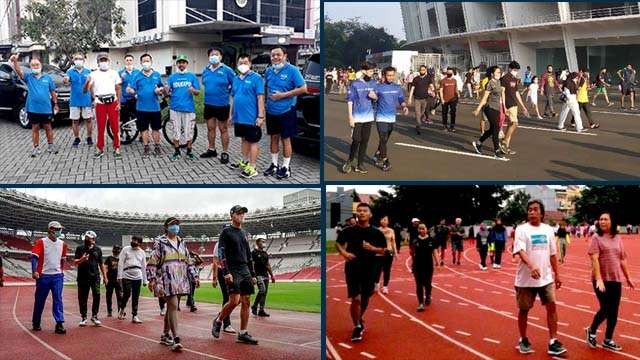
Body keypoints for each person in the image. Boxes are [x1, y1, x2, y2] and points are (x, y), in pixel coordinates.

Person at [513, 200, 566, 355]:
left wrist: (557, 274)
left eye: (535, 210)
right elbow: (520, 251)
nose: (532, 212)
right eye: (529, 210)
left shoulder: (548, 230)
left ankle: (553, 341)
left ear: (542, 213)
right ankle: (523, 339)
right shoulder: (521, 229)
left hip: (546, 278)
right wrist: (532, 266)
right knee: (524, 310)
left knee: (552, 306)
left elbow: (553, 254)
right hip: (525, 279)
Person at [335, 203, 388, 342]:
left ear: (370, 214)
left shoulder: (376, 232)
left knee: (366, 297)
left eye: (365, 211)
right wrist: (344, 253)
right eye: (359, 211)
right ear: (356, 214)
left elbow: (384, 250)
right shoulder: (348, 230)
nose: (361, 213)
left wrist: (372, 248)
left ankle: (359, 318)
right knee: (356, 298)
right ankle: (357, 326)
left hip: (370, 268)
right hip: (352, 268)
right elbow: (338, 243)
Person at [147, 217, 200, 352]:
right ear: (166, 227)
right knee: (174, 306)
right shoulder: (160, 242)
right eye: (172, 225)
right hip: (166, 279)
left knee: (171, 308)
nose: (175, 227)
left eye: (177, 224)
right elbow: (153, 260)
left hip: (180, 280)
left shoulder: (182, 242)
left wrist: (195, 276)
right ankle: (176, 339)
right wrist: (152, 278)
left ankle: (165, 335)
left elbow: (188, 260)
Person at [585, 212, 635, 351]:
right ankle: (592, 330)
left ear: (612, 221)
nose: (602, 221)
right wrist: (599, 279)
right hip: (600, 279)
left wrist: (628, 277)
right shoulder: (596, 237)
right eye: (601, 219)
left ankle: (608, 339)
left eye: (605, 219)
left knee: (614, 311)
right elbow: (594, 259)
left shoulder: (617, 237)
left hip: (615, 279)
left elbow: (622, 259)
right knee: (606, 308)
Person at [211, 205, 259, 345]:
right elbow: (221, 252)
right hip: (233, 269)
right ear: (232, 215)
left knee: (247, 301)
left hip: (245, 269)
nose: (241, 215)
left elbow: (248, 254)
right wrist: (226, 272)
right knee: (234, 300)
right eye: (238, 213)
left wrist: (253, 273)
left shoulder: (244, 233)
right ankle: (219, 320)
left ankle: (243, 333)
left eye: (243, 213)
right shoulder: (226, 232)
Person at [264, 46, 308, 179]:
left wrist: (283, 95)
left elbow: (304, 88)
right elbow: (266, 87)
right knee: (273, 138)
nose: (275, 57)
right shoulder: (268, 71)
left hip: (286, 110)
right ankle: (274, 164)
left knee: (286, 139)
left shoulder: (292, 70)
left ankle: (286, 167)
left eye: (278, 55)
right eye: (273, 55)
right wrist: (265, 103)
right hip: (271, 111)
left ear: (284, 56)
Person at [10, 54, 59, 157]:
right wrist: (15, 62)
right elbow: (19, 72)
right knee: (35, 128)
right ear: (30, 67)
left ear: (40, 65)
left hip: (46, 108)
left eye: (37, 65)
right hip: (33, 108)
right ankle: (36, 148)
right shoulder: (28, 77)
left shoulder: (48, 78)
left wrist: (55, 104)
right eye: (33, 65)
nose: (35, 67)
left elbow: (53, 92)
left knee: (48, 127)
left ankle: (51, 146)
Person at [228, 54, 266, 179]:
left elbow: (260, 97)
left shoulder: (256, 78)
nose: (242, 65)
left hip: (251, 117)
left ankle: (253, 167)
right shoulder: (236, 79)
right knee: (244, 139)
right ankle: (244, 161)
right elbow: (233, 97)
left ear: (250, 64)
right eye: (240, 63)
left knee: (253, 141)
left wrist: (260, 116)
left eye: (245, 62)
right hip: (239, 117)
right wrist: (231, 114)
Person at [31, 221, 68, 334]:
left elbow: (63, 260)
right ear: (51, 230)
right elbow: (34, 257)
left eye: (60, 230)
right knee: (40, 300)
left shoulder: (63, 244)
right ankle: (36, 322)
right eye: (58, 229)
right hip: (43, 276)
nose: (60, 232)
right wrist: (34, 271)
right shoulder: (41, 242)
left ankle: (59, 323)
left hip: (57, 276)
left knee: (58, 299)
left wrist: (61, 272)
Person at [370, 66, 409, 172]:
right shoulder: (378, 87)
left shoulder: (397, 87)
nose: (391, 77)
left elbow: (401, 98)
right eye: (388, 75)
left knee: (385, 140)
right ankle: (385, 161)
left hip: (392, 118)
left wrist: (404, 106)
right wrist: (372, 96)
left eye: (392, 75)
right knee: (383, 139)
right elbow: (371, 96)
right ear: (384, 75)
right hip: (381, 117)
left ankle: (377, 154)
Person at [200, 47, 235, 163]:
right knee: (210, 128)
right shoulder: (205, 70)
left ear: (221, 57)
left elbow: (234, 85)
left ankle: (225, 152)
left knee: (223, 129)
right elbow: (205, 84)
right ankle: (211, 149)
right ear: (208, 57)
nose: (214, 56)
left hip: (222, 105)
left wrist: (227, 93)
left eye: (216, 54)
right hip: (209, 104)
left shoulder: (227, 70)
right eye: (211, 54)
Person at [126, 53, 165, 157]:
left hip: (155, 108)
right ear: (141, 63)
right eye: (144, 61)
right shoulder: (137, 76)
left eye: (148, 61)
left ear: (151, 62)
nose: (146, 63)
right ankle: (146, 147)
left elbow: (162, 89)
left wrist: (160, 90)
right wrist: (130, 90)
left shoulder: (157, 75)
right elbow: (132, 89)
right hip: (141, 108)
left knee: (156, 129)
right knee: (144, 129)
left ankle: (157, 147)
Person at [84, 52, 122, 159]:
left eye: (105, 60)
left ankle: (117, 147)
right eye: (101, 60)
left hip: (112, 102)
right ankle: (99, 148)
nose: (104, 62)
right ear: (98, 62)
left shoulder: (114, 73)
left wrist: (119, 102)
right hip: (100, 103)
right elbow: (85, 90)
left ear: (109, 61)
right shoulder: (93, 74)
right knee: (100, 127)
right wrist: (87, 82)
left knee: (115, 126)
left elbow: (118, 88)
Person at [342, 61, 377, 174]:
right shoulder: (355, 84)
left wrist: (374, 97)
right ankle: (350, 160)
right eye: (370, 71)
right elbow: (350, 101)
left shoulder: (373, 83)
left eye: (373, 71)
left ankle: (360, 164)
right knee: (356, 140)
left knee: (365, 141)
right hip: (357, 116)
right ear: (364, 71)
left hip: (369, 117)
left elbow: (376, 98)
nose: (372, 73)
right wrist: (350, 117)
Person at [166, 55, 200, 161]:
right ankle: (176, 151)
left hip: (188, 109)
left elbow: (198, 92)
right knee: (176, 130)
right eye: (179, 62)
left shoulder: (192, 76)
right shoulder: (172, 77)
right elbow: (167, 93)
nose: (181, 64)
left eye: (183, 62)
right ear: (177, 64)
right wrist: (165, 90)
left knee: (189, 131)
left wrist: (193, 90)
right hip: (175, 108)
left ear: (187, 64)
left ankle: (189, 151)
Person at [472, 66, 507, 159]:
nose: (499, 74)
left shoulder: (499, 82)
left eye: (500, 72)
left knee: (492, 129)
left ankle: (478, 143)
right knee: (496, 127)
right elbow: (484, 98)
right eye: (497, 72)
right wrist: (478, 109)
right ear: (492, 74)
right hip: (489, 107)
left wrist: (504, 107)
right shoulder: (490, 83)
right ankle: (496, 151)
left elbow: (502, 94)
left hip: (497, 108)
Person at [74, 230, 106, 327]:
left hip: (95, 277)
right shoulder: (80, 248)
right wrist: (81, 259)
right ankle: (83, 317)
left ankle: (94, 316)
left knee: (97, 295)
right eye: (86, 237)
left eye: (89, 238)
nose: (87, 239)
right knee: (82, 297)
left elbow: (101, 264)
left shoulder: (98, 250)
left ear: (93, 239)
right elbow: (75, 262)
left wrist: (105, 276)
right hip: (82, 277)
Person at [64, 53, 93, 147]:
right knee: (75, 121)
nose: (78, 60)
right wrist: (66, 80)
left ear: (84, 60)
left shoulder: (88, 72)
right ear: (73, 60)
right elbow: (66, 81)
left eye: (80, 59)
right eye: (76, 58)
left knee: (88, 120)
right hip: (74, 100)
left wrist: (93, 98)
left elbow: (91, 86)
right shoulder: (69, 72)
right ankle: (77, 138)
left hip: (86, 100)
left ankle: (89, 137)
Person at [500, 61, 529, 155]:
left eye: (517, 70)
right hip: (508, 104)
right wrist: (503, 105)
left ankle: (506, 147)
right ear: (510, 69)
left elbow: (516, 93)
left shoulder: (514, 79)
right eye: (514, 70)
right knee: (515, 124)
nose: (515, 71)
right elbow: (502, 92)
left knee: (510, 125)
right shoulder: (504, 78)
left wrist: (523, 106)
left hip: (514, 103)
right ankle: (504, 142)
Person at [118, 235, 148, 323]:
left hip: (138, 275)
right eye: (133, 240)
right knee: (127, 294)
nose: (133, 241)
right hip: (126, 274)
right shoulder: (125, 249)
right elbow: (120, 263)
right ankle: (122, 309)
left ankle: (135, 315)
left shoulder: (142, 252)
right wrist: (119, 276)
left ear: (139, 243)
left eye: (136, 240)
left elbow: (144, 266)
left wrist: (145, 280)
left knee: (136, 296)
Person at [212, 233, 237, 334]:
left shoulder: (234, 243)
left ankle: (221, 315)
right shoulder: (219, 244)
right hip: (223, 272)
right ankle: (226, 324)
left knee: (237, 299)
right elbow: (215, 261)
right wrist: (214, 278)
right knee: (227, 297)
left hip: (234, 271)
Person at [411, 223, 438, 311]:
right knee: (418, 284)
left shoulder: (431, 240)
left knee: (427, 283)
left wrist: (437, 262)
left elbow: (434, 252)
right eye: (419, 229)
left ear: (427, 229)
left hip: (428, 265)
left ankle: (428, 296)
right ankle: (421, 303)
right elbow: (412, 253)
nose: (421, 230)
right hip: (417, 265)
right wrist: (413, 264)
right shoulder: (415, 240)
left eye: (423, 228)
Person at [251, 236, 276, 317]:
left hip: (265, 275)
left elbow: (268, 265)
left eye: (265, 241)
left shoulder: (265, 253)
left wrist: (272, 276)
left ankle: (261, 310)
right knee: (262, 290)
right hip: (258, 275)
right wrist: (253, 275)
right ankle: (254, 306)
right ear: (257, 243)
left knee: (264, 293)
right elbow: (252, 264)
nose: (264, 243)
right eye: (262, 241)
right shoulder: (254, 253)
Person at [375, 215, 397, 294]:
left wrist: (395, 253)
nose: (383, 221)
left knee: (387, 270)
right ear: (380, 221)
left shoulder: (391, 230)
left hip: (389, 251)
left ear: (388, 222)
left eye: (385, 220)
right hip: (379, 252)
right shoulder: (376, 230)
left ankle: (385, 287)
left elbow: (393, 242)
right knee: (377, 269)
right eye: (382, 219)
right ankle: (376, 284)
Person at [407, 65, 432, 134]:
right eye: (421, 70)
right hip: (417, 99)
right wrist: (409, 98)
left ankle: (419, 122)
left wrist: (432, 91)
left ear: (426, 70)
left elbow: (431, 86)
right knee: (417, 113)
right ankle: (419, 126)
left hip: (425, 99)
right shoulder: (416, 79)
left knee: (421, 113)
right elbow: (412, 88)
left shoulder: (428, 78)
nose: (422, 71)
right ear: (419, 70)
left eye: (423, 70)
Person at [119, 54, 141, 129]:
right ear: (124, 61)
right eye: (127, 60)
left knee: (138, 117)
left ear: (133, 61)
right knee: (125, 119)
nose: (129, 62)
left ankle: (140, 134)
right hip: (125, 99)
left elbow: (140, 84)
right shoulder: (120, 73)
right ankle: (127, 136)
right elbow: (117, 85)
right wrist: (121, 80)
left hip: (136, 98)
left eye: (130, 60)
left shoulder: (138, 72)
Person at [104, 245, 123, 317]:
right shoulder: (109, 258)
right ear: (113, 250)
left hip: (118, 280)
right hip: (110, 280)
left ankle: (120, 311)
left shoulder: (121, 259)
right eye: (116, 249)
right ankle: (109, 311)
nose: (117, 251)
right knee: (108, 296)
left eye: (118, 249)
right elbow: (105, 268)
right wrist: (105, 278)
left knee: (120, 297)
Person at [439, 67, 459, 132]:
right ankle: (444, 126)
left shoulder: (454, 80)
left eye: (451, 73)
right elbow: (441, 90)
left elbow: (456, 89)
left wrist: (458, 94)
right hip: (445, 99)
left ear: (452, 73)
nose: (449, 74)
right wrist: (442, 99)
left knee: (453, 112)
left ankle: (452, 126)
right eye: (448, 73)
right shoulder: (443, 81)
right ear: (446, 73)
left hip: (453, 99)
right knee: (444, 113)